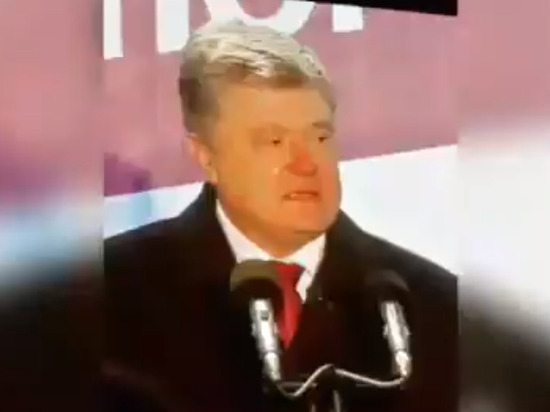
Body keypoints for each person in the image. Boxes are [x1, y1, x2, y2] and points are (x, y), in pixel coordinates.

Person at [103, 20, 457, 412]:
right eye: (273, 141)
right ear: (206, 156)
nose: (306, 163)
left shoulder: (434, 307)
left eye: (320, 137)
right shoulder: (109, 298)